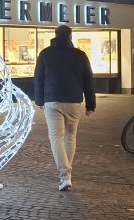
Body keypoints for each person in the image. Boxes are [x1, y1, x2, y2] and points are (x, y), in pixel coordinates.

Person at [33, 25, 96, 192]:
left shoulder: (45, 54)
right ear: (70, 36)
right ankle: (67, 175)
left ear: (55, 35)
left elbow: (38, 78)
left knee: (56, 138)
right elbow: (88, 80)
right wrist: (91, 104)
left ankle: (65, 175)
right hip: (74, 101)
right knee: (70, 137)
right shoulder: (80, 55)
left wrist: (39, 100)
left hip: (52, 100)